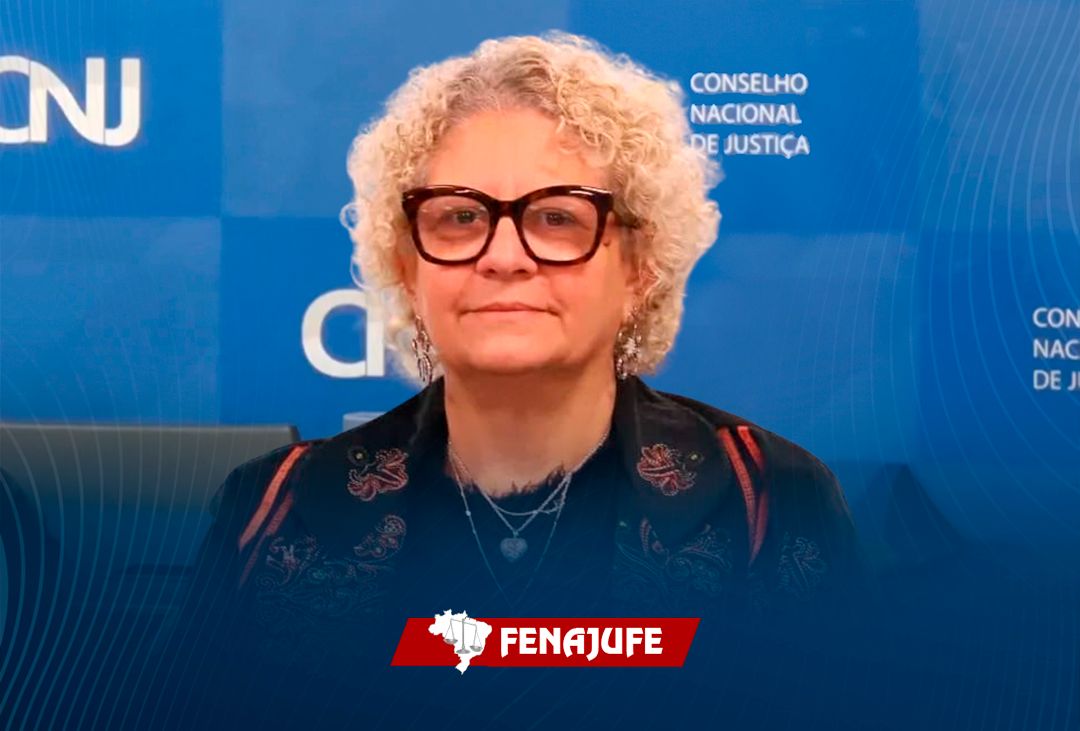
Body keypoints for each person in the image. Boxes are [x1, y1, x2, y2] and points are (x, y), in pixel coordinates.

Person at [139, 32, 863, 728]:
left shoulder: (768, 499)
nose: (505, 256)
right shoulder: (276, 511)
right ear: (406, 268)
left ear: (640, 269)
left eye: (557, 217)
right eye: (460, 217)